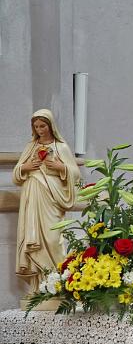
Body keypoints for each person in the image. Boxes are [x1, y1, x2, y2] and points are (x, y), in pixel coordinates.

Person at [13, 109, 80, 293]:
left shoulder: (61, 147)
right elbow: (16, 175)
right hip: (32, 196)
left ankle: (57, 284)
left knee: (53, 239)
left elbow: (76, 174)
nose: (40, 130)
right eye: (36, 126)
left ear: (51, 126)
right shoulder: (31, 147)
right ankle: (39, 289)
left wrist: (61, 167)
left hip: (52, 198)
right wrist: (26, 167)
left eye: (43, 126)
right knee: (34, 241)